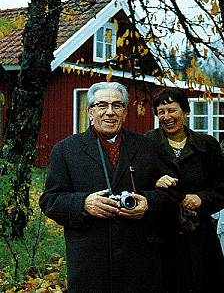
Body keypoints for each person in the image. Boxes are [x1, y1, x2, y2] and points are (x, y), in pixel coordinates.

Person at [39, 81, 177, 293]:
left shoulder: (148, 147)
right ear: (90, 112)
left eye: (117, 105)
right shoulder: (65, 150)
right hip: (90, 263)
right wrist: (83, 204)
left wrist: (149, 204)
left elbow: (172, 193)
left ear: (125, 112)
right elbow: (50, 200)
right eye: (102, 105)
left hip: (140, 263)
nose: (110, 112)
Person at [146, 87, 224, 293]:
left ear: (186, 112)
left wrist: (201, 198)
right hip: (161, 238)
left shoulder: (208, 145)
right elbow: (133, 185)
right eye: (161, 112)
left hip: (200, 239)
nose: (166, 117)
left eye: (172, 110)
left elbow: (223, 191)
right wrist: (155, 184)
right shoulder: (147, 143)